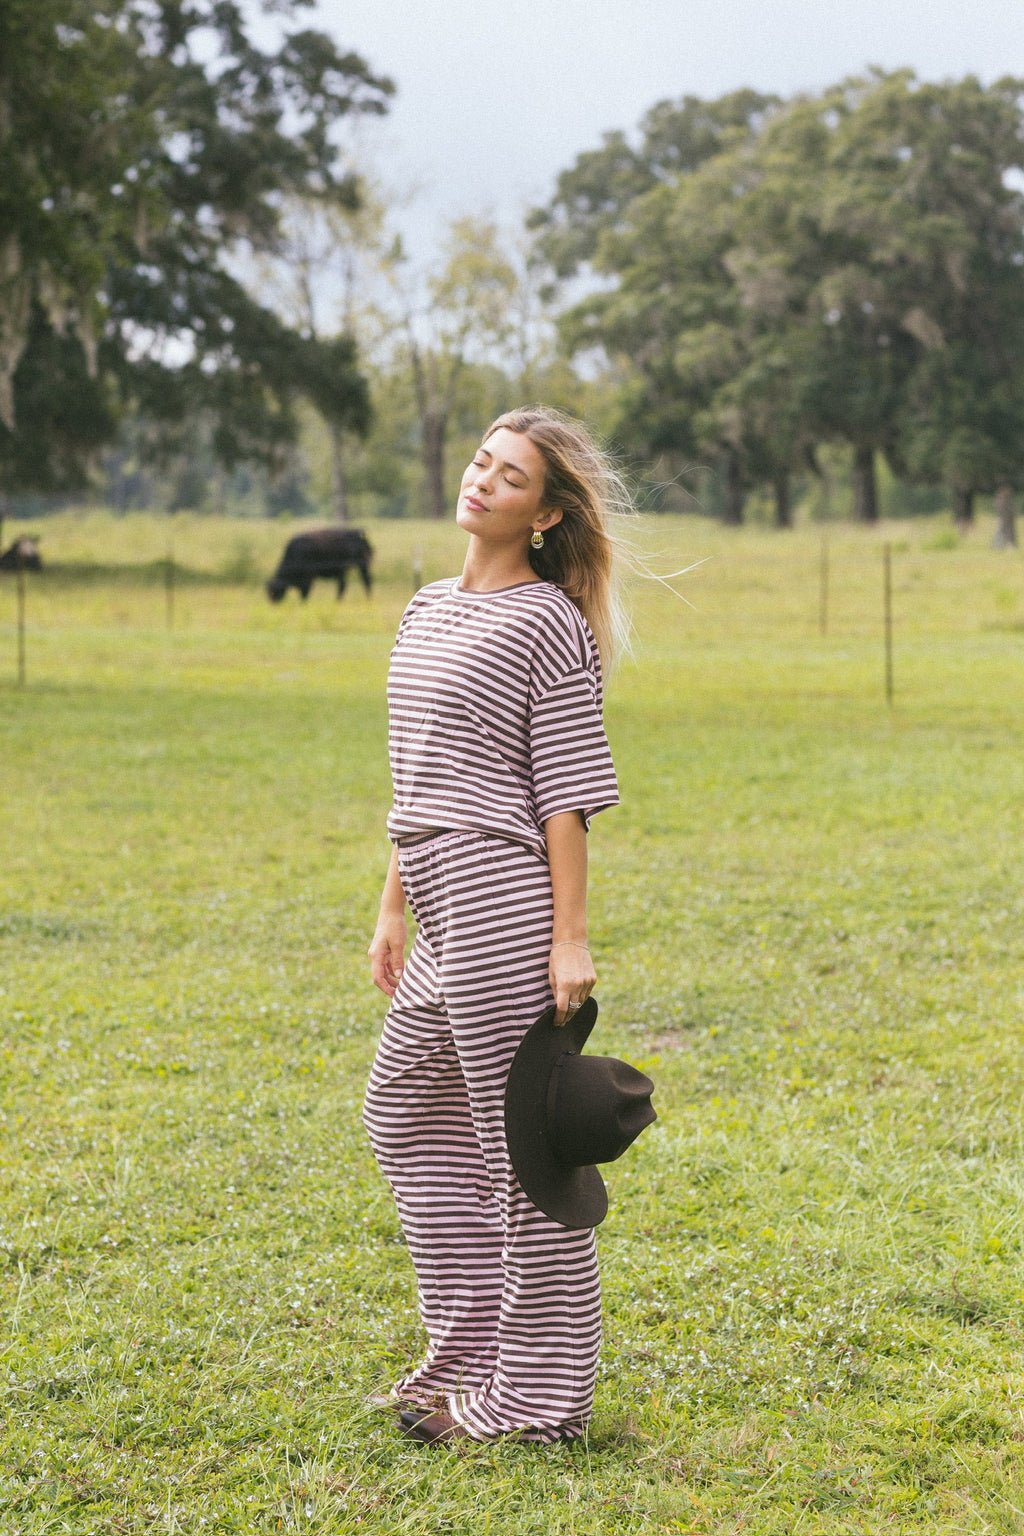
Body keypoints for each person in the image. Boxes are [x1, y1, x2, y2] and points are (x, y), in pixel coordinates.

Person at [363, 405, 629, 1444]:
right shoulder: (426, 607)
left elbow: (564, 793)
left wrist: (570, 935)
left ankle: (537, 1402)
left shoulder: (547, 621)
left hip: (501, 895)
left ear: (547, 513)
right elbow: (415, 773)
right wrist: (393, 904)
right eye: (482, 461)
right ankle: (470, 1359)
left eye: (511, 476)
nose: (481, 480)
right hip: (436, 898)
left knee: (524, 1157)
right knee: (403, 1111)